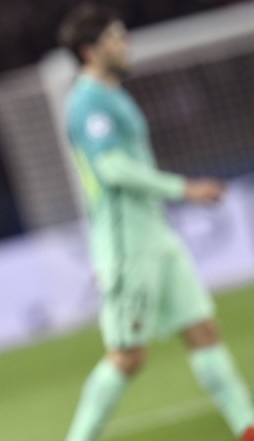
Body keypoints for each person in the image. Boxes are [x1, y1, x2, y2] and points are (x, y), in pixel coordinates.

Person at [58, 4, 254, 441]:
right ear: (90, 50)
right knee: (129, 355)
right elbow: (113, 170)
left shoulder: (113, 95)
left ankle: (247, 427)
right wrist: (184, 189)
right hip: (128, 244)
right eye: (115, 36)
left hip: (155, 234)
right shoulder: (86, 101)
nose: (125, 43)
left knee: (203, 329)